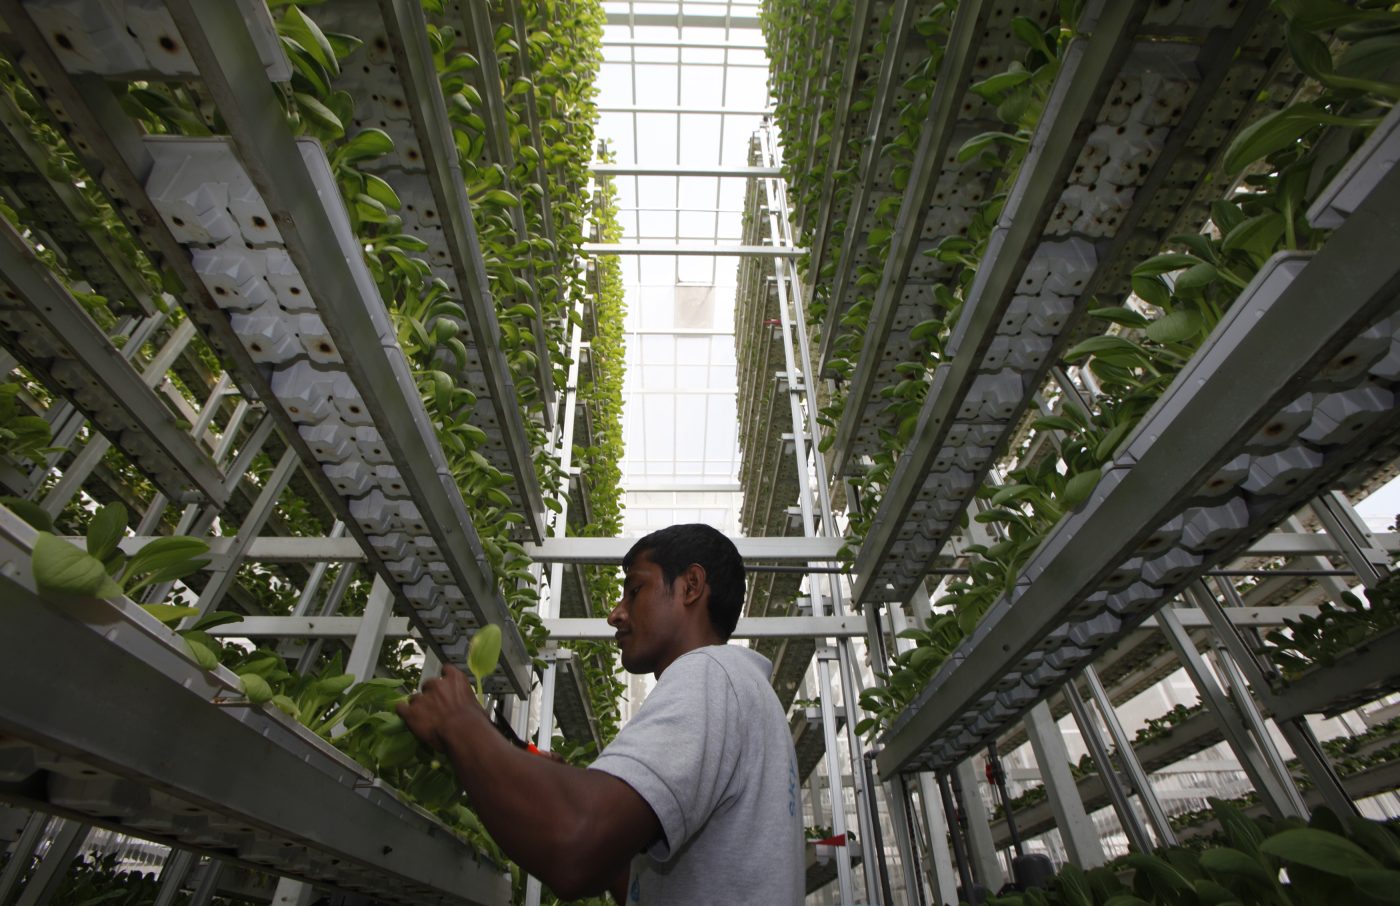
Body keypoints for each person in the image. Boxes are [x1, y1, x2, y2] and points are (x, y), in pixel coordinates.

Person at [396, 524, 805, 904]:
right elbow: (646, 884)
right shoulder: (746, 692)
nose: (616, 613)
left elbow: (576, 848)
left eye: (635, 590)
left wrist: (461, 723)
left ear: (691, 586)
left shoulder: (709, 675)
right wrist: (549, 791)